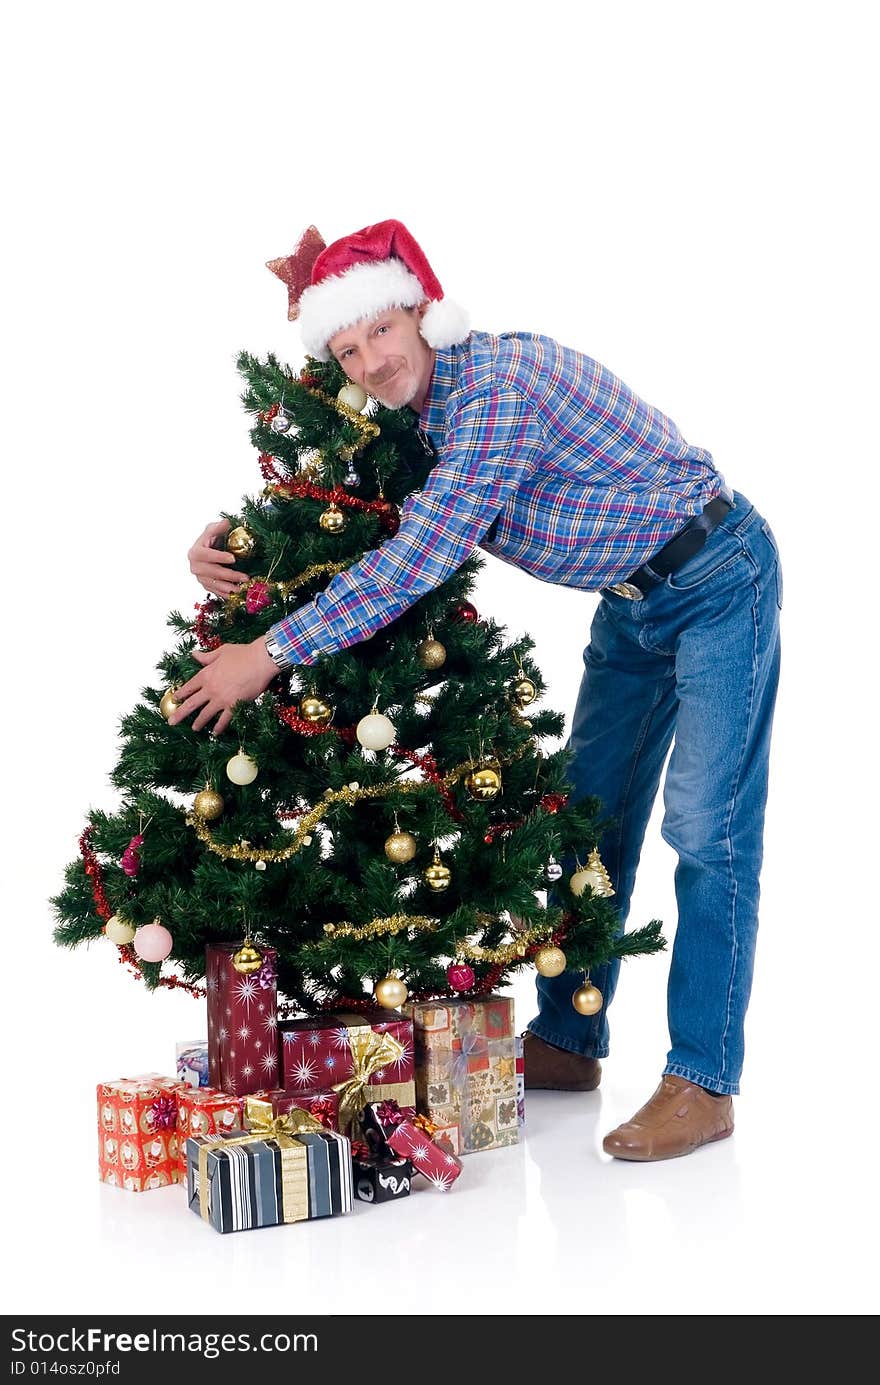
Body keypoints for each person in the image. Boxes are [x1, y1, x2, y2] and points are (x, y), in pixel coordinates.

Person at [174, 219, 781, 1162]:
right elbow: (333, 486)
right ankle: (571, 1040)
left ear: (419, 311)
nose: (370, 362)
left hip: (716, 579)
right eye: (346, 348)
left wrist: (272, 650)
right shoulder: (416, 410)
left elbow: (420, 552)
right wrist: (234, 545)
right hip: (632, 605)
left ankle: (705, 1079)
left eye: (379, 331)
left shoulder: (491, 391)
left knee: (706, 826)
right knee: (588, 819)